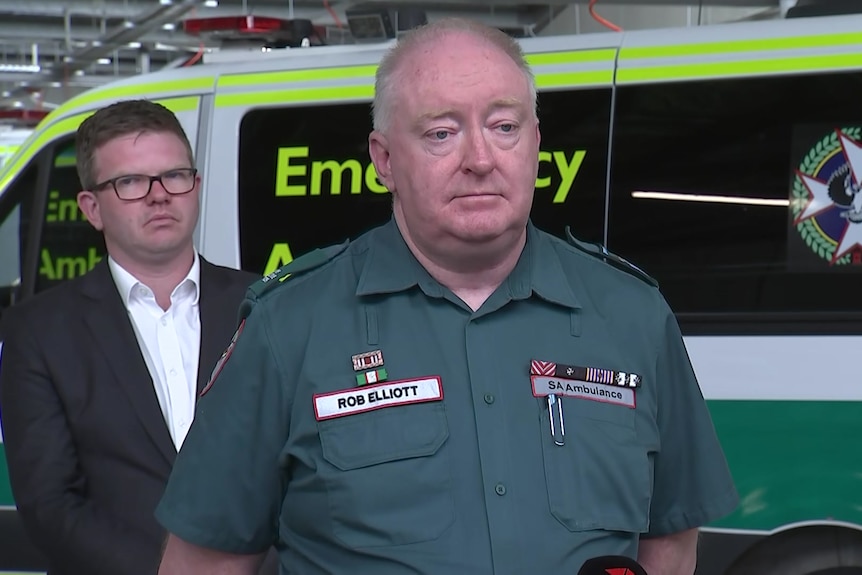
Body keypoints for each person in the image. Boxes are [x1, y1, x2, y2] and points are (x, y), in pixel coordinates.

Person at [155, 18, 739, 575]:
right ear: (384, 160)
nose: (481, 159)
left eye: (504, 127)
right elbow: (205, 561)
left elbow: (670, 536)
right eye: (441, 133)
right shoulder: (289, 327)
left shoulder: (632, 316)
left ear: (535, 143)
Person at [0, 99, 261, 575]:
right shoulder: (38, 332)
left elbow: (308, 468)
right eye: (131, 183)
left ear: (196, 186)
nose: (159, 195)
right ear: (91, 208)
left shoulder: (265, 306)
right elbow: (50, 504)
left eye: (174, 176)